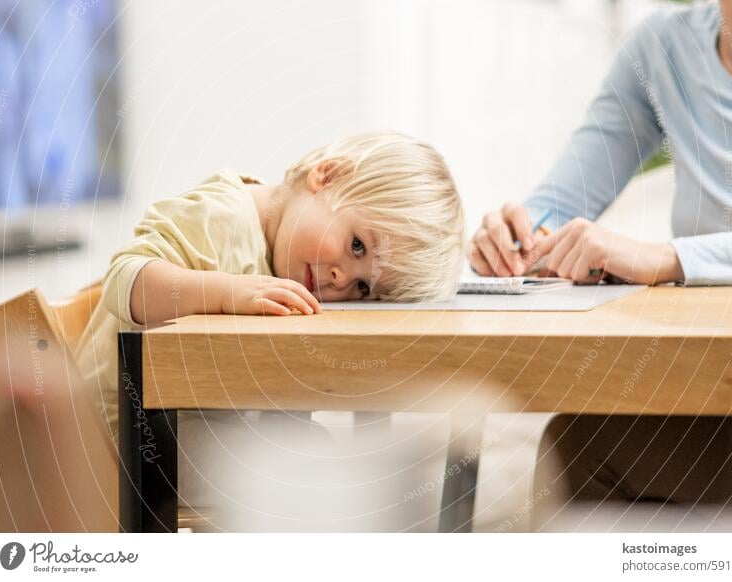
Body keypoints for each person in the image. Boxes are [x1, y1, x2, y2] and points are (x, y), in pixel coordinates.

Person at [468, 1, 732, 530]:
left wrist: (669, 258)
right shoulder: (664, 49)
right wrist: (518, 236)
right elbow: (563, 202)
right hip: (718, 386)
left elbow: (663, 261)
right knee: (582, 441)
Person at [74, 130, 465, 528]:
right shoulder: (223, 217)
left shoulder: (284, 251)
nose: (341, 278)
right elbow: (124, 280)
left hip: (191, 428)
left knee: (324, 461)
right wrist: (226, 293)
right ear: (327, 176)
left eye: (364, 287)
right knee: (314, 485)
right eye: (358, 246)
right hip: (121, 441)